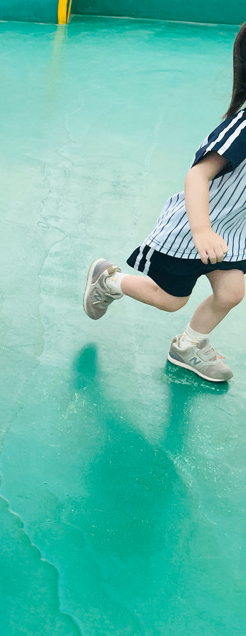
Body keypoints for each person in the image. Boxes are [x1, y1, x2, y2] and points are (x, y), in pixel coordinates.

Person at [83, 22, 246, 383]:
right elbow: (197, 176)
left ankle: (188, 345)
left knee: (232, 292)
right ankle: (110, 281)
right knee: (170, 300)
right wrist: (202, 230)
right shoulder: (242, 128)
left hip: (232, 233)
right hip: (192, 229)